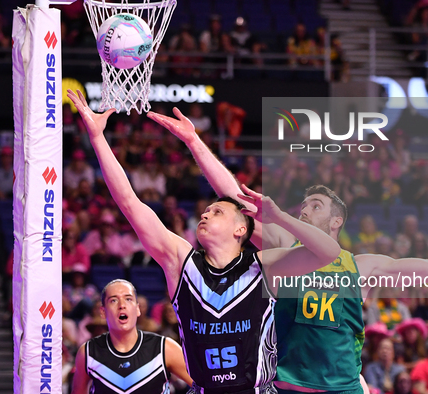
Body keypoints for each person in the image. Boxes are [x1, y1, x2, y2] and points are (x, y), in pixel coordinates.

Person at [146, 106, 428, 394]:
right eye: (303, 204)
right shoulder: (283, 247)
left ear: (336, 222)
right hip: (283, 385)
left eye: (316, 206)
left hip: (341, 387)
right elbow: (234, 196)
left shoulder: (362, 266)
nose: (304, 209)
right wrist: (195, 142)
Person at [68, 90, 342, 393]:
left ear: (241, 229)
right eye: (206, 210)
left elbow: (329, 251)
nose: (206, 213)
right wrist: (97, 139)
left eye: (217, 211)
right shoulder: (180, 261)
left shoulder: (264, 267)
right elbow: (130, 204)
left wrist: (279, 217)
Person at [71, 279, 193, 393]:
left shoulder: (165, 348)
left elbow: (205, 386)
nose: (122, 305)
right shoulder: (88, 352)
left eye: (128, 299)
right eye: (113, 300)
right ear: (103, 312)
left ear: (138, 309)